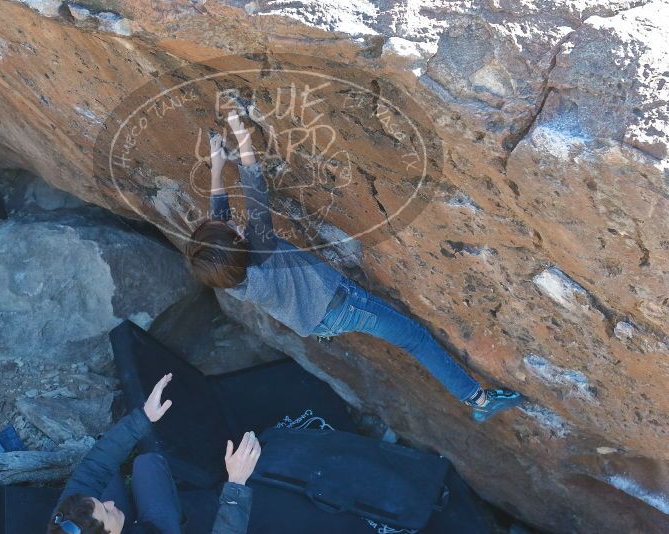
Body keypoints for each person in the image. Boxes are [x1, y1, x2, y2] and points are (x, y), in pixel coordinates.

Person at [185, 109, 523, 423]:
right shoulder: (262, 249)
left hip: (316, 320)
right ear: (235, 246)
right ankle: (478, 400)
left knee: (400, 333)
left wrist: (216, 166)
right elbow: (254, 187)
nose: (236, 226)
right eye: (233, 232)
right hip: (344, 306)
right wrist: (241, 134)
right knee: (415, 339)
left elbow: (220, 220)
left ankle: (475, 397)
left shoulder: (227, 274)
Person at [48, 373, 261, 533]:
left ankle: (123, 517)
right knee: (149, 466)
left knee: (141, 465)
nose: (110, 503)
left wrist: (143, 417)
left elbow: (94, 468)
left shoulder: (68, 520)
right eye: (107, 509)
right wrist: (236, 484)